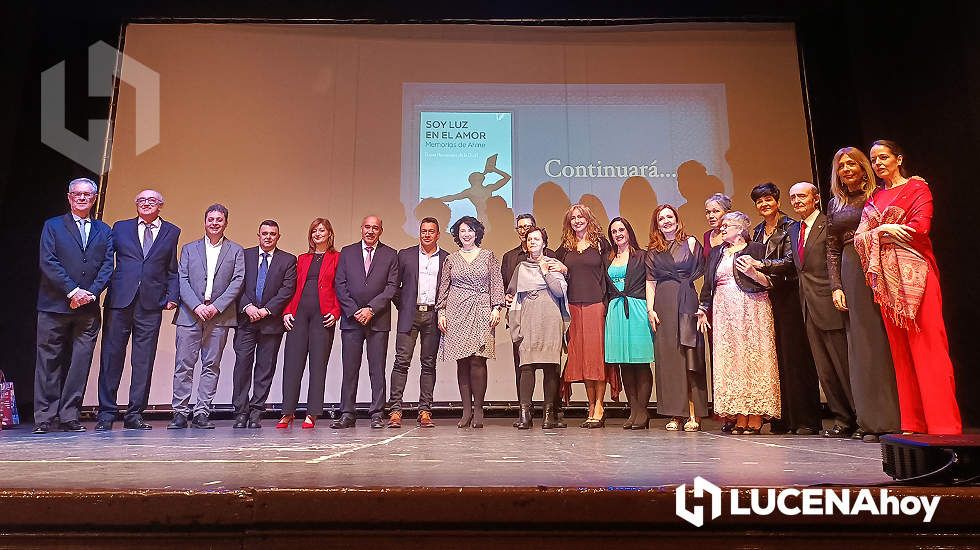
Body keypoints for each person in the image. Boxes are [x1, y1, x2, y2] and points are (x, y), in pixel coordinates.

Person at [854, 140, 961, 435]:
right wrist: (885, 229)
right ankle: (913, 423)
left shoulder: (917, 189)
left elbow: (919, 229)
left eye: (884, 157)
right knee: (901, 355)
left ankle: (943, 425)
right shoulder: (875, 196)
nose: (878, 163)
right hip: (888, 282)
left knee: (929, 350)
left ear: (898, 158)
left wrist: (878, 232)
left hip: (917, 276)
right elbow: (859, 238)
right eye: (874, 159)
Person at [826, 146, 901, 442]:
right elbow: (831, 248)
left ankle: (894, 417)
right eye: (841, 166)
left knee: (884, 341)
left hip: (881, 264)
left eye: (851, 164)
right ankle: (870, 420)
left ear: (862, 166)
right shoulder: (835, 204)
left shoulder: (877, 195)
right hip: (852, 269)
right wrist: (836, 286)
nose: (846, 169)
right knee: (862, 346)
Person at [33, 178, 114, 434]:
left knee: (80, 363)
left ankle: (69, 415)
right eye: (77, 194)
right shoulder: (53, 226)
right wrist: (72, 290)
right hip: (54, 305)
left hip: (88, 308)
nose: (82, 198)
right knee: (49, 361)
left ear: (94, 199)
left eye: (87, 195)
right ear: (69, 198)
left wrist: (90, 293)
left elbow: (106, 266)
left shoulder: (104, 230)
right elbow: (48, 261)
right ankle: (44, 417)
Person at [95, 189, 179, 431]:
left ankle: (134, 414)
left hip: (151, 304)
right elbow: (105, 260)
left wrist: (172, 296)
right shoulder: (120, 227)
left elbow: (171, 268)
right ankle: (106, 414)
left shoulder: (171, 231)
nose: (146, 204)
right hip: (120, 300)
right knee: (111, 358)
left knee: (143, 361)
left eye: (151, 201)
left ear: (160, 205)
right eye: (141, 200)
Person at [697, 211, 781, 435]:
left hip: (751, 306)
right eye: (722, 225)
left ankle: (756, 414)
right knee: (733, 361)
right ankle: (739, 414)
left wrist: (753, 272)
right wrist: (703, 308)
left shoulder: (756, 249)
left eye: (728, 225)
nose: (723, 228)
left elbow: (772, 282)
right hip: (724, 310)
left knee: (754, 358)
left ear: (742, 228)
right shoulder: (716, 253)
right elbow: (708, 284)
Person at [751, 182, 822, 436]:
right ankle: (782, 418)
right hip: (767, 297)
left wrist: (761, 265)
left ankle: (805, 419)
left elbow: (791, 262)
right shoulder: (758, 231)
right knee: (776, 359)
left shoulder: (791, 226)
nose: (764, 205)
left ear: (777, 201)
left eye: (768, 199)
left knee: (796, 358)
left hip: (789, 295)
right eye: (759, 202)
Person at [786, 182, 856, 438]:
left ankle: (860, 418)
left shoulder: (828, 224)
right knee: (824, 370)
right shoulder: (795, 230)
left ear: (815, 198)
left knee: (843, 365)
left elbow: (834, 260)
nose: (797, 201)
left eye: (802, 196)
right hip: (807, 306)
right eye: (793, 197)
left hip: (830, 302)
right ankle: (842, 420)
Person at [169, 204, 245, 429]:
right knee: (184, 365)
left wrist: (217, 306)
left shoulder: (236, 250)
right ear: (204, 221)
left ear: (226, 223)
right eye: (210, 219)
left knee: (211, 365)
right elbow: (181, 279)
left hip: (219, 316)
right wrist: (196, 306)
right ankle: (180, 412)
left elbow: (237, 281)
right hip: (189, 314)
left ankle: (202, 412)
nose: (214, 223)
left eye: (219, 219)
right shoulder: (189, 248)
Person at [437, 216, 506, 428]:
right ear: (457, 235)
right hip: (457, 310)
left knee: (478, 359)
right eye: (462, 230)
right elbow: (444, 287)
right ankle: (465, 410)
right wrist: (441, 312)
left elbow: (496, 283)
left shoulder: (488, 256)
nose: (466, 234)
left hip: (482, 309)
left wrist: (496, 308)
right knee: (462, 360)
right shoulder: (451, 259)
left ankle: (478, 410)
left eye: (470, 230)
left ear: (477, 233)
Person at [556, 204, 619, 428]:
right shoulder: (565, 247)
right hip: (573, 306)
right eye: (573, 218)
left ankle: (600, 405)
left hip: (596, 305)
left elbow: (611, 273)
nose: (577, 221)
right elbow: (556, 271)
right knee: (581, 359)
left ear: (588, 219)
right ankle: (590, 405)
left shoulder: (601, 244)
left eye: (580, 217)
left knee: (596, 358)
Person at [333, 215, 399, 429]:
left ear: (381, 230)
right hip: (352, 321)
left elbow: (391, 287)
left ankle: (377, 413)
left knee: (377, 368)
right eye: (367, 227)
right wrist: (354, 311)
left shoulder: (390, 254)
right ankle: (347, 413)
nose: (371, 231)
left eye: (375, 228)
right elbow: (340, 285)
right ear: (361, 228)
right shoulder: (347, 252)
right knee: (350, 368)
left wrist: (371, 309)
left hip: (377, 319)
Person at [646, 205, 708, 432]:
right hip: (663, 304)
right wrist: (650, 310)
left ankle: (694, 413)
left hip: (686, 301)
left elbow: (706, 274)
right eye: (661, 218)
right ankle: (675, 414)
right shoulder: (653, 251)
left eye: (669, 216)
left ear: (677, 219)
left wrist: (702, 304)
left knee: (689, 355)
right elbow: (650, 282)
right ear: (657, 224)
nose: (665, 221)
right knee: (669, 359)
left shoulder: (690, 242)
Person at [231, 220, 296, 429]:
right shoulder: (245, 255)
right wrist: (247, 306)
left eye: (273, 234)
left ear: (278, 236)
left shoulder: (287, 260)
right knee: (242, 366)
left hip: (271, 323)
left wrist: (266, 310)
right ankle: (241, 411)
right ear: (258, 235)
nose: (268, 237)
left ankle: (256, 411)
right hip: (246, 320)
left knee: (265, 368)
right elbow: (236, 284)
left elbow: (287, 289)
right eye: (265, 233)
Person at [387, 217, 449, 428]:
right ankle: (395, 410)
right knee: (401, 361)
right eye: (423, 231)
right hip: (410, 314)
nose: (427, 234)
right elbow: (394, 286)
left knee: (428, 363)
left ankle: (425, 410)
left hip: (433, 316)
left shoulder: (447, 258)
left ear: (438, 235)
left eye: (431, 231)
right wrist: (404, 306)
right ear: (419, 233)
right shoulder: (405, 255)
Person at [279, 218, 340, 429]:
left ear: (330, 234)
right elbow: (291, 288)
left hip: (322, 316)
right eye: (314, 230)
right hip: (299, 314)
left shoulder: (337, 258)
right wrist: (286, 312)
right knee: (292, 364)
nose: (318, 234)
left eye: (322, 230)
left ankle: (312, 413)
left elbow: (340, 288)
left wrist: (336, 312)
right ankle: (287, 412)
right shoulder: (302, 258)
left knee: (317, 365)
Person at [507, 226, 569, 430]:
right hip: (529, 319)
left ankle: (549, 415)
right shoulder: (521, 268)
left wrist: (545, 271)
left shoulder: (553, 265)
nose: (532, 242)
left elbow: (560, 292)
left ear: (544, 243)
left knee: (551, 367)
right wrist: (515, 325)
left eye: (537, 239)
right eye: (529, 239)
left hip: (550, 318)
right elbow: (512, 296)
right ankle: (525, 414)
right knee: (527, 366)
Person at [602, 217, 654, 430]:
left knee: (640, 363)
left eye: (621, 229)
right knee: (624, 364)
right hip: (616, 311)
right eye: (614, 231)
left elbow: (650, 283)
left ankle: (643, 411)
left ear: (629, 231)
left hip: (637, 309)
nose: (618, 234)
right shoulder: (608, 258)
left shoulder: (641, 256)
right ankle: (633, 410)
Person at [702, 193, 732, 259]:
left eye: (716, 211)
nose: (711, 216)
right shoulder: (707, 235)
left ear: (727, 213)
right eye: (708, 212)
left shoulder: (735, 234)